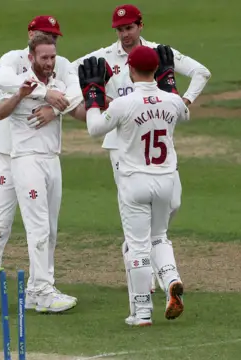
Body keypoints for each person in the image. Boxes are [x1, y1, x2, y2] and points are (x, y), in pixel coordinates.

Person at [71, 3, 211, 293]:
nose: (124, 34)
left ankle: (143, 256)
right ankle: (145, 279)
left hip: (154, 140)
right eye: (120, 29)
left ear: (140, 26)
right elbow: (69, 73)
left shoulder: (158, 53)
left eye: (129, 28)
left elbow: (202, 72)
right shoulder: (104, 57)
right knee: (136, 210)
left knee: (172, 204)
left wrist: (183, 102)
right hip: (120, 145)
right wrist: (80, 103)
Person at [77, 45, 189, 325]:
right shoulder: (172, 101)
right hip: (165, 181)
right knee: (159, 236)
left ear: (129, 69)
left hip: (134, 182)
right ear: (158, 70)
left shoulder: (123, 104)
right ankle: (171, 278)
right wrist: (169, 82)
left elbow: (94, 129)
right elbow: (184, 113)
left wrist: (93, 95)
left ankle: (141, 312)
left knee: (138, 246)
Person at [0, 16, 79, 308]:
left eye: (55, 37)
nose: (52, 41)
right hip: (7, 154)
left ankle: (41, 285)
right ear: (32, 35)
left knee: (46, 224)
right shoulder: (11, 60)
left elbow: (74, 93)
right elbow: (4, 87)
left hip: (37, 152)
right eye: (46, 35)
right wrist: (45, 93)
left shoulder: (58, 63)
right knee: (1, 220)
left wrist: (54, 110)